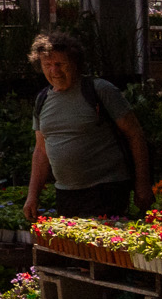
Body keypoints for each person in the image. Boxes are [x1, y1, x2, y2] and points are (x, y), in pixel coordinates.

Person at [25, 32, 152, 221]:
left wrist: (142, 184)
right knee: (73, 248)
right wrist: (32, 196)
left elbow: (135, 134)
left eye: (60, 64)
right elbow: (40, 151)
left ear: (75, 63)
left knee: (103, 245)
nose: (54, 71)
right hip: (66, 193)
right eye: (47, 65)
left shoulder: (99, 90)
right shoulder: (42, 99)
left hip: (107, 189)